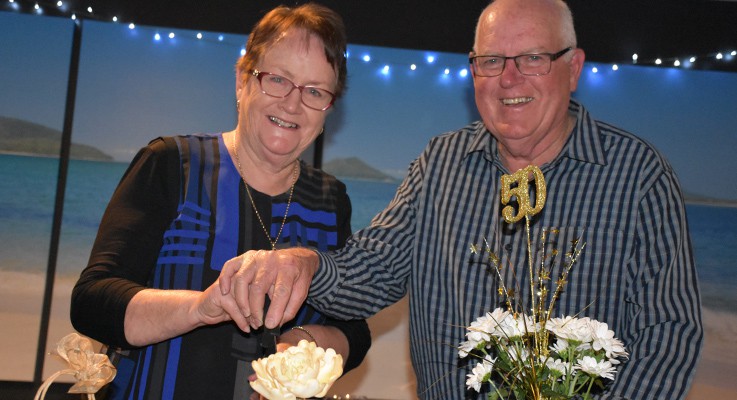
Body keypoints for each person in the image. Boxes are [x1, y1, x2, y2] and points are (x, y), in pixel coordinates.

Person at [220, 0, 703, 399]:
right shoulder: (442, 163)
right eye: (491, 61)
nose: (509, 78)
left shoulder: (638, 175)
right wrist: (306, 265)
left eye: (532, 58)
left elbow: (670, 332)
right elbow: (376, 268)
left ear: (572, 68)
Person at [70, 4, 370, 399]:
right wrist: (199, 308)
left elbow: (354, 331)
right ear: (242, 80)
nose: (292, 104)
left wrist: (302, 343)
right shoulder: (172, 164)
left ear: (329, 107)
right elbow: (92, 303)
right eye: (278, 79)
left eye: (314, 91)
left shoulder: (330, 200)